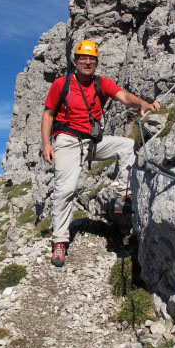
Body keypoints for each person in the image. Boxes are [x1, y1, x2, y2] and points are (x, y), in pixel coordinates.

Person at [41, 40, 161, 267]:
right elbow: (48, 114)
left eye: (92, 59)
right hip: (67, 142)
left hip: (93, 142)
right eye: (83, 58)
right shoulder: (61, 84)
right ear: (75, 61)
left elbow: (124, 97)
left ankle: (122, 192)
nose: (88, 62)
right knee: (65, 190)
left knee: (126, 145)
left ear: (96, 62)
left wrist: (142, 104)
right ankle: (59, 241)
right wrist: (47, 144)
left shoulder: (102, 84)